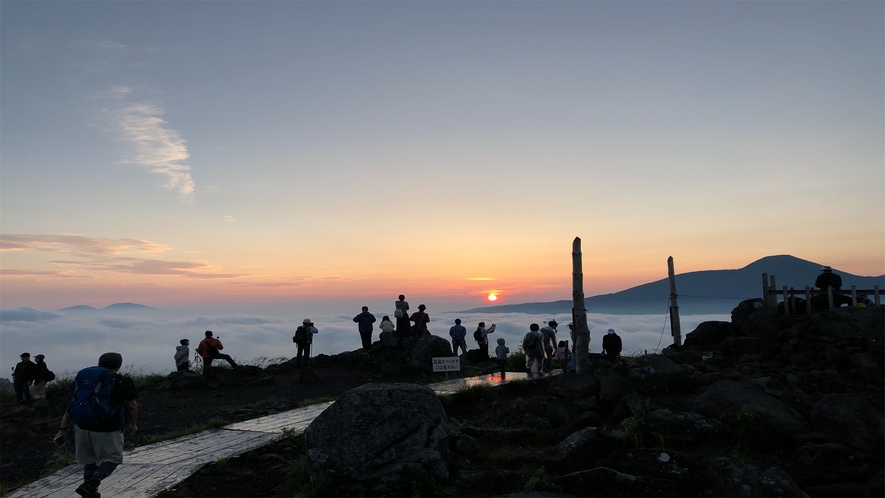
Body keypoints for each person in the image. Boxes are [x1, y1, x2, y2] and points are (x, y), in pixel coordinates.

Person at [56, 352, 138, 498]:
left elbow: (71, 404)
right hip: (108, 426)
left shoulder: (83, 381)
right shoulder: (121, 381)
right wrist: (133, 424)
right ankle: (91, 484)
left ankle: (89, 492)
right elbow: (131, 406)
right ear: (119, 365)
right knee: (112, 458)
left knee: (90, 459)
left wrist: (63, 429)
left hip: (82, 426)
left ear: (99, 363)